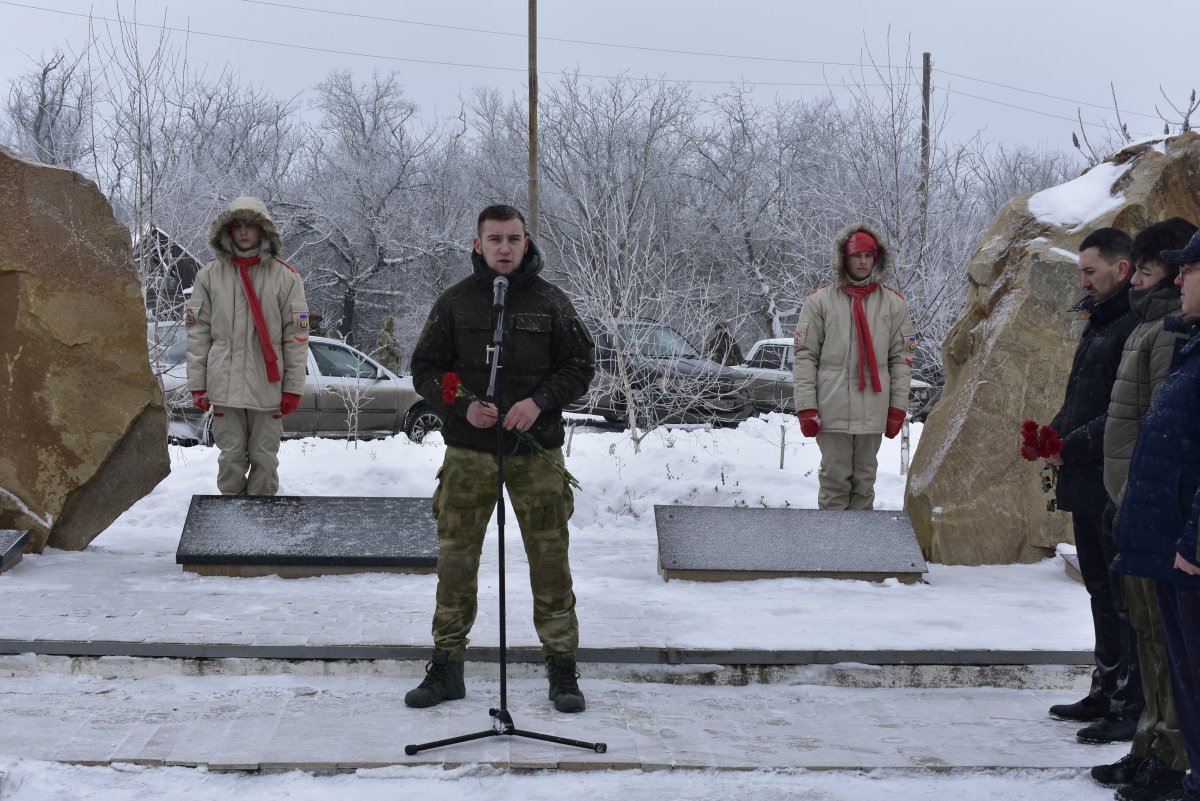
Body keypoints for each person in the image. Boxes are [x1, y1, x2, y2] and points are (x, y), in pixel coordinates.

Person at [406, 204, 596, 713]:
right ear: (478, 244)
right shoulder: (455, 304)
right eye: (495, 239)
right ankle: (446, 665)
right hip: (470, 455)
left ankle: (561, 666)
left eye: (514, 238)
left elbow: (581, 366)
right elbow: (424, 368)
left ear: (527, 241)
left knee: (551, 560)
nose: (505, 248)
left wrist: (539, 403)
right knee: (456, 561)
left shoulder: (553, 302)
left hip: (536, 454)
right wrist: (462, 404)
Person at [1093, 219, 1197, 800]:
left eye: (1156, 269)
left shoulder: (1170, 333)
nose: (1162, 279)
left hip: (1155, 507)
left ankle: (1172, 752)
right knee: (1148, 639)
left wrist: (1138, 496)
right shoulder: (1147, 326)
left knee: (1168, 645)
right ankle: (1150, 742)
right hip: (1132, 502)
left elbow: (1164, 430)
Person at [1043, 227, 1143, 745]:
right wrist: (1051, 433)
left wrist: (1070, 443)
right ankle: (1104, 689)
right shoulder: (1100, 322)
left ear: (1120, 270)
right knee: (1098, 588)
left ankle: (1128, 700)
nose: (1082, 281)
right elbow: (1083, 394)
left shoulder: (1130, 324)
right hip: (1084, 473)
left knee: (1120, 595)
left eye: (1089, 271)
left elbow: (1123, 412)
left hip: (1111, 476)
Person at [186, 196, 309, 496]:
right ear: (228, 230)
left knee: (265, 460)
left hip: (267, 387)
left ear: (262, 230)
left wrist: (293, 387)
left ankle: (262, 531)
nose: (243, 232)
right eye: (238, 226)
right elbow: (198, 334)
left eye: (250, 226)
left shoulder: (286, 277)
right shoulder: (209, 275)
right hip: (224, 385)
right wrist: (197, 385)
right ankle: (231, 528)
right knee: (230, 458)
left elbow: (296, 338)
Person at [791, 223, 915, 510]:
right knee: (834, 481)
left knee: (864, 482)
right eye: (856, 255)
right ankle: (832, 551)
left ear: (877, 259)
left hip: (873, 409)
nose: (862, 261)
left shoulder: (894, 304)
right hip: (832, 408)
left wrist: (897, 408)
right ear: (844, 258)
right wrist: (806, 407)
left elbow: (902, 360)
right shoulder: (819, 301)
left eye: (868, 255)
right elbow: (805, 357)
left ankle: (862, 551)